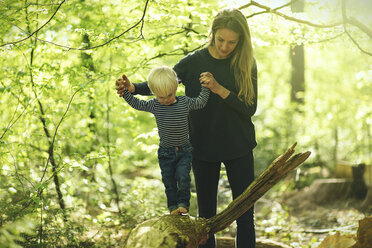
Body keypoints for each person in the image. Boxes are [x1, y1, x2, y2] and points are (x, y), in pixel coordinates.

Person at [116, 8, 257, 247]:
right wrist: (133, 89)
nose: (225, 47)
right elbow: (165, 82)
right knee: (205, 220)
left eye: (232, 42)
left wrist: (218, 88)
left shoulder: (245, 63)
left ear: (241, 40)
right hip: (202, 147)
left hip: (239, 145)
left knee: (245, 216)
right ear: (212, 34)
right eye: (221, 39)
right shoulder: (194, 61)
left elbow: (250, 108)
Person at [116, 65, 210, 215]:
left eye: (169, 95)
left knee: (183, 177)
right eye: (161, 97)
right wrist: (125, 92)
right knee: (169, 181)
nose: (166, 100)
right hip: (166, 153)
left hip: (184, 150)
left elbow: (201, 102)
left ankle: (183, 205)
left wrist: (206, 87)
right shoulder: (154, 105)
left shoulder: (185, 102)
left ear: (175, 88)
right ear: (153, 93)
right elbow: (137, 104)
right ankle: (173, 207)